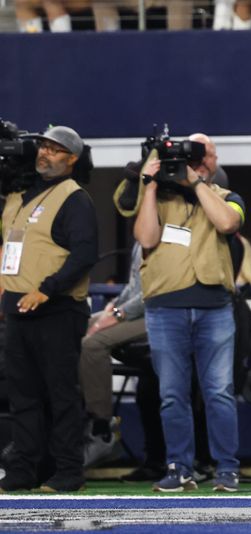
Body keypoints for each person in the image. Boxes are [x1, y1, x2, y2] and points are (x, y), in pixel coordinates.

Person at [133, 136, 245, 493]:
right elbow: (146, 239)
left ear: (211, 163)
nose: (194, 162)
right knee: (171, 394)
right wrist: (149, 185)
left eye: (202, 157)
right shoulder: (160, 199)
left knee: (219, 392)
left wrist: (195, 182)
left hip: (214, 306)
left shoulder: (228, 197)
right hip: (165, 307)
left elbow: (227, 223)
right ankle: (179, 467)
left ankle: (226, 468)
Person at [0, 126, 98, 492]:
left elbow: (85, 254)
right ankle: (25, 468)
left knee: (60, 394)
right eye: (42, 146)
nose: (44, 153)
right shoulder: (17, 195)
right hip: (17, 309)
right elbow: (12, 250)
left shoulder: (74, 198)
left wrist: (47, 289)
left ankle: (69, 470)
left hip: (57, 309)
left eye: (55, 149)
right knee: (22, 395)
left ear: (72, 159)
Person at [80, 241, 147, 468]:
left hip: (159, 313)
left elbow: (152, 291)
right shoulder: (141, 238)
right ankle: (71, 425)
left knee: (93, 344)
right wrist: (114, 307)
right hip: (134, 309)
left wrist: (118, 313)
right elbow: (134, 285)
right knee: (73, 330)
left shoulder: (165, 232)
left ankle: (102, 429)